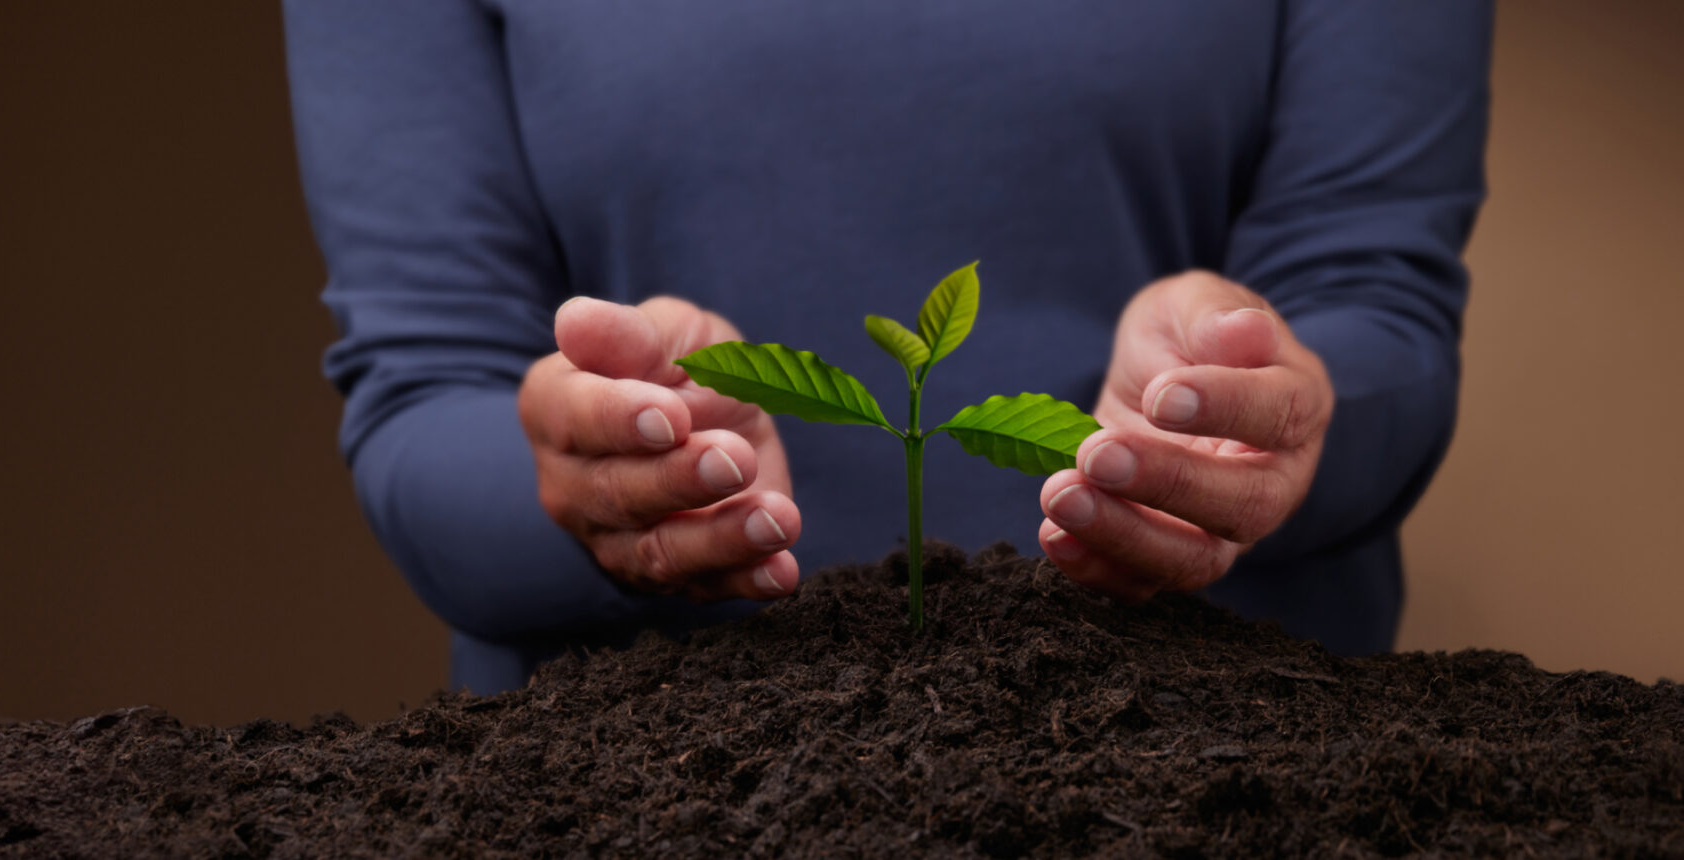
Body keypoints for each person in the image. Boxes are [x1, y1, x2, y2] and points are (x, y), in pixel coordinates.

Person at [283, 3, 1489, 694]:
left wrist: (1261, 403)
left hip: (1211, 763)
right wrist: (599, 462)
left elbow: (1376, 304)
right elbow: (424, 388)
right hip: (646, 781)